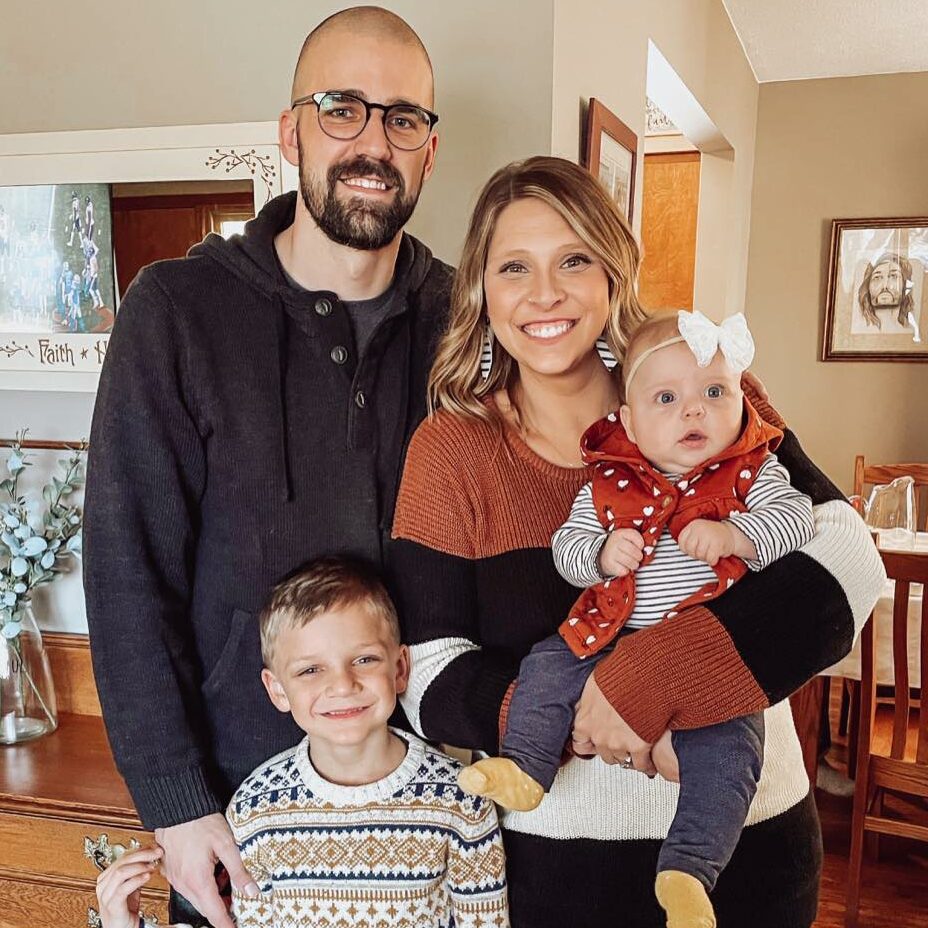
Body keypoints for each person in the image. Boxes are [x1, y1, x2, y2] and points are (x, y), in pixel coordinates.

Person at [388, 155, 885, 927]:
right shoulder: (452, 450)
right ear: (482, 292)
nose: (545, 293)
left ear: (614, 274)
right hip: (553, 873)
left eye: (574, 260)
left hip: (750, 859)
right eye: (514, 266)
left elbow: (850, 558)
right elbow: (425, 675)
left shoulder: (706, 392)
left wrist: (657, 680)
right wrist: (581, 717)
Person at [83, 8, 447, 927]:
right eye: (341, 108)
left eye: (403, 118)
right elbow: (128, 577)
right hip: (242, 824)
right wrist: (175, 803)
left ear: (429, 150)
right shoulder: (177, 310)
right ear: (290, 132)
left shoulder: (469, 317)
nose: (374, 141)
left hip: (437, 814)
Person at [459, 309, 816, 928]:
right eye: (667, 399)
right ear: (628, 419)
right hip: (608, 633)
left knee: (732, 753)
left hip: (711, 658)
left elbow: (801, 522)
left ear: (741, 400)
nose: (694, 412)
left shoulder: (753, 471)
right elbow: (566, 547)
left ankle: (689, 870)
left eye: (714, 393)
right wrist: (599, 554)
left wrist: (738, 534)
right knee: (547, 665)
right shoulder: (608, 479)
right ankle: (526, 767)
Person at [93, 557, 509, 928]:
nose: (343, 685)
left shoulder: (461, 800)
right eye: (311, 670)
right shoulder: (256, 807)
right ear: (277, 690)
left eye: (364, 660)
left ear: (400, 668)